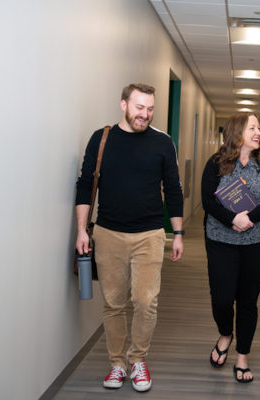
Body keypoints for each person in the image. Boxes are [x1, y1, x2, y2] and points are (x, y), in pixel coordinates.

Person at [75, 83, 184, 392]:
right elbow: (85, 185)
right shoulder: (102, 139)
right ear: (123, 104)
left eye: (150, 108)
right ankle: (116, 364)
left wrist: (177, 232)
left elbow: (173, 190)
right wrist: (82, 229)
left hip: (150, 234)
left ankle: (137, 359)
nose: (145, 114)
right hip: (108, 233)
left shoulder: (163, 143)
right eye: (139, 107)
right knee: (113, 302)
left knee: (145, 301)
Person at [201, 113, 260, 383]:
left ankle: (243, 356)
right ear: (237, 132)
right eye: (252, 127)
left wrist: (249, 218)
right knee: (222, 299)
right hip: (221, 240)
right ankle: (226, 333)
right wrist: (232, 219)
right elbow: (208, 201)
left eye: (259, 127)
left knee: (248, 301)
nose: (258, 131)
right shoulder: (215, 163)